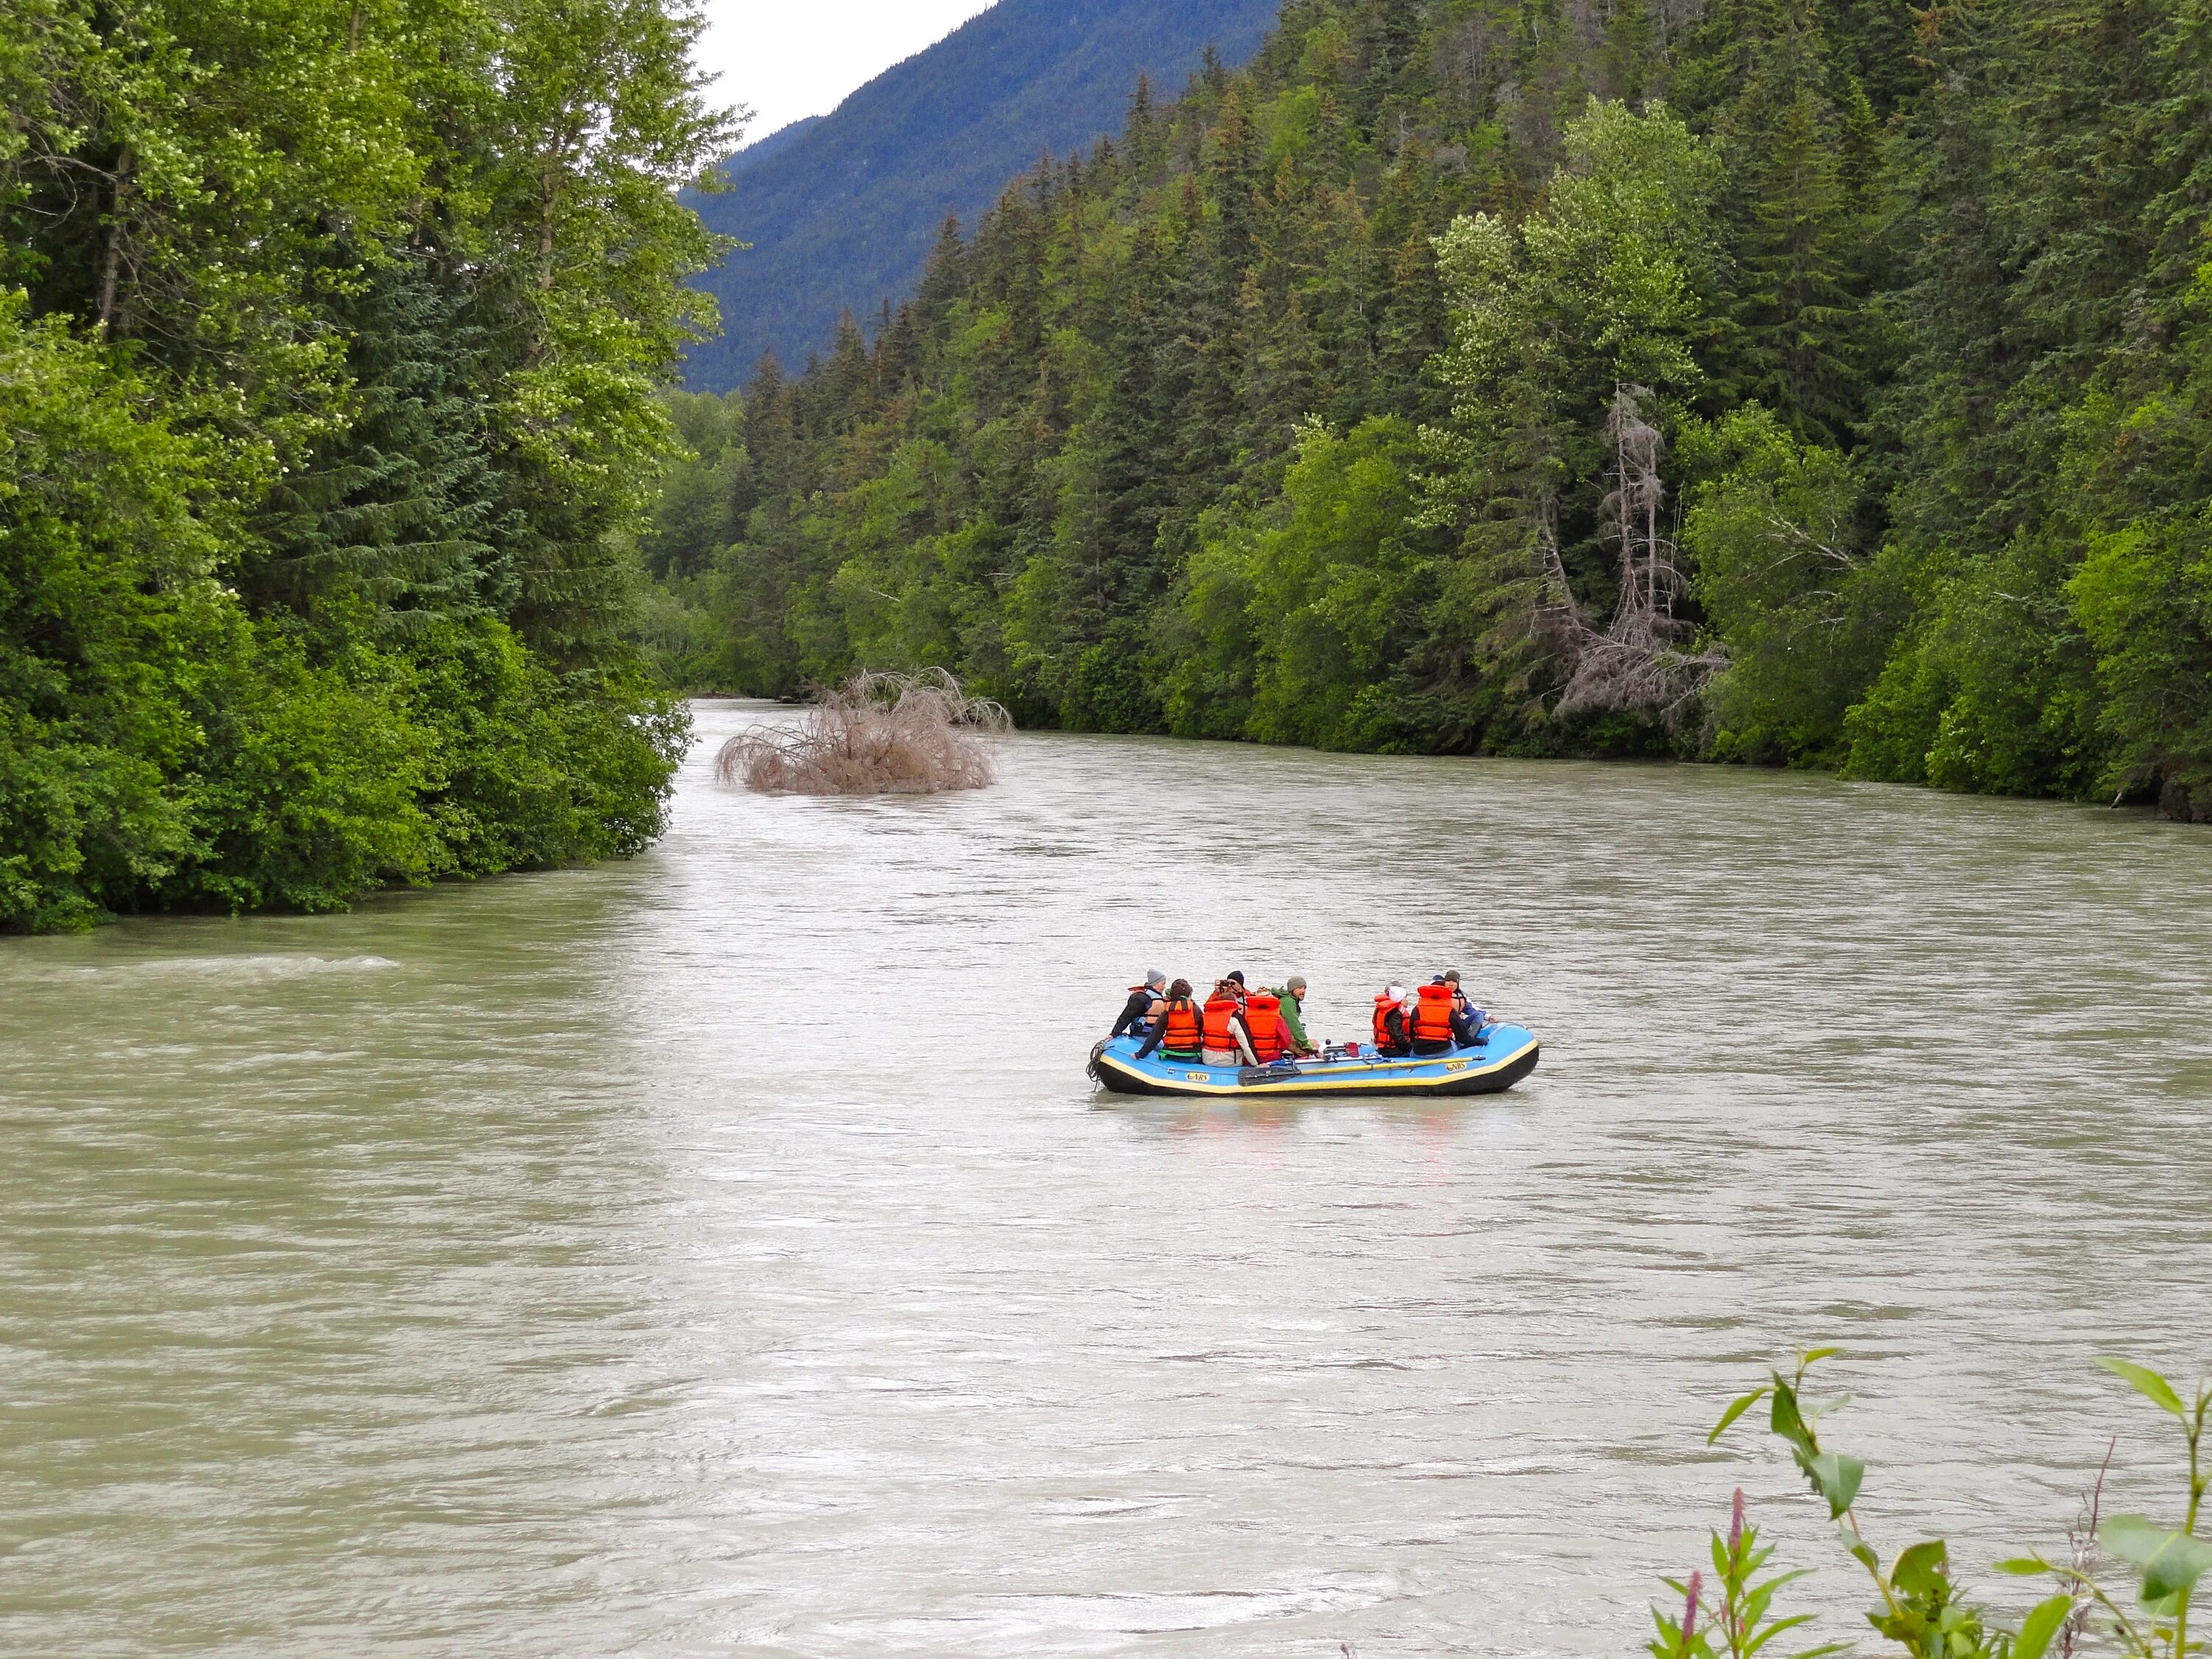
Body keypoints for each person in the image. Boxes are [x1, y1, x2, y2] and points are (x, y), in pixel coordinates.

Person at [1134, 979, 1203, 1061]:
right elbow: (1201, 1031)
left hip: (1171, 1054)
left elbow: (1155, 1037)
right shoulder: (1196, 1010)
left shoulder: (1167, 1012)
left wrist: (1140, 1054)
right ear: (1189, 994)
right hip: (1193, 1055)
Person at [1202, 978, 1257, 1067]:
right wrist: (1257, 1064)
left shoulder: (1206, 1016)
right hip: (1230, 1061)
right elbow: (1245, 1045)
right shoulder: (1235, 1018)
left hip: (1208, 1059)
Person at [1243, 990, 1297, 1064]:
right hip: (1272, 1057)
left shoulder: (1246, 1016)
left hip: (1252, 1058)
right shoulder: (1277, 1017)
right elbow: (1286, 1039)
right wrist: (1279, 1049)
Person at [1268, 975, 1317, 1056]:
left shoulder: (1289, 999)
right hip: (1283, 1040)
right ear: (1292, 989)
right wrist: (1305, 1044)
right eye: (1300, 988)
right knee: (1313, 1047)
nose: (1303, 991)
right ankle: (1327, 1064)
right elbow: (1294, 1025)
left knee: (1314, 1042)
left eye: (1304, 988)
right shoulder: (1288, 1002)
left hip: (1284, 1037)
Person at [1409, 978, 1460, 1054]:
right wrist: (1480, 1041)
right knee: (1456, 1045)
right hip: (1443, 1051)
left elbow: (1411, 1034)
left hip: (1420, 1052)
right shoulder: (1450, 1011)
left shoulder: (1417, 1009)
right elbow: (1462, 1037)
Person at [1112, 970, 1166, 1039]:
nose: (1164, 987)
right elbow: (1126, 1017)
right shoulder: (1141, 998)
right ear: (1154, 984)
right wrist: (1114, 1033)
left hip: (1155, 1036)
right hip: (1141, 1035)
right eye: (1163, 984)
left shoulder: (1159, 998)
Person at [1441, 970, 1485, 1045]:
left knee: (1478, 1015)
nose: (1451, 984)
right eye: (1449, 981)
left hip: (1458, 1026)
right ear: (1444, 982)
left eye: (1454, 982)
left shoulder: (1460, 997)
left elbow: (1471, 1009)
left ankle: (1469, 1040)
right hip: (1445, 1026)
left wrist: (1488, 1016)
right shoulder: (1438, 996)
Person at [1371, 984, 1412, 1057]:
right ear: (1400, 999)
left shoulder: (1391, 1011)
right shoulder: (1395, 1014)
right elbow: (1397, 1036)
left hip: (1386, 1048)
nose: (1407, 1000)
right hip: (1392, 1051)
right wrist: (1409, 1048)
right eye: (1405, 998)